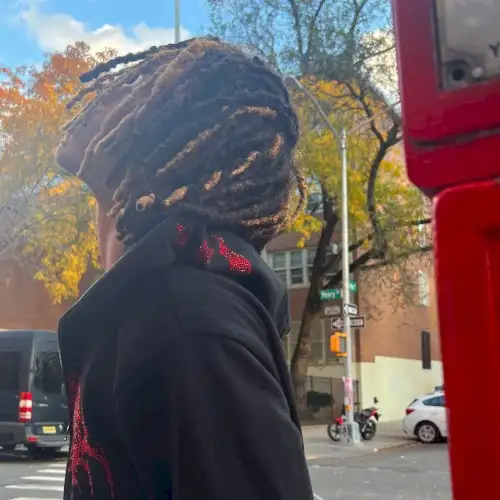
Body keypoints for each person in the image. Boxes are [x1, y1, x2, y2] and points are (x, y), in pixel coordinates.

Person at [56, 36, 314, 500]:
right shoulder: (156, 303)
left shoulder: (188, 321)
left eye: (141, 85)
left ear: (173, 131)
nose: (112, 88)